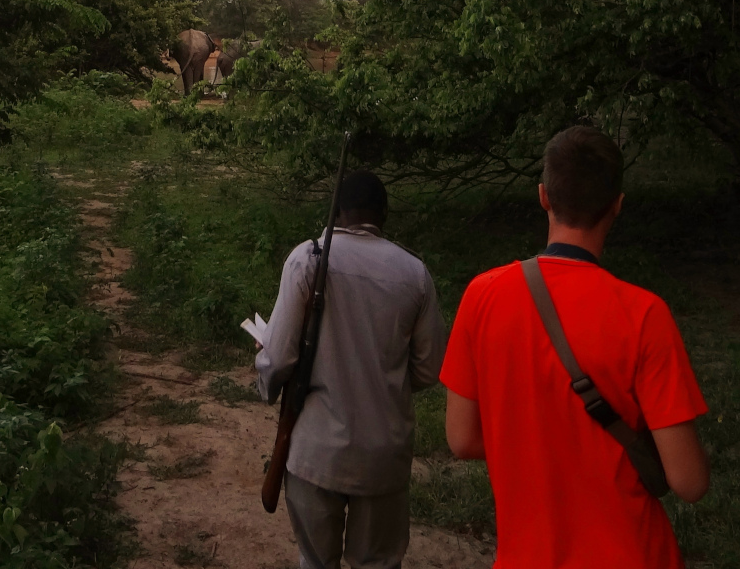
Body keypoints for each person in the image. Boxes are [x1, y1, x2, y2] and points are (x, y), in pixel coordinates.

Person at [441, 126, 710, 568]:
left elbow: (463, 438)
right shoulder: (645, 315)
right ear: (618, 205)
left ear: (543, 196)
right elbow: (689, 482)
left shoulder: (481, 296)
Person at [257, 170, 447, 569]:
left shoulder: (307, 258)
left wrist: (268, 378)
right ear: (384, 215)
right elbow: (429, 371)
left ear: (337, 211)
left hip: (316, 453)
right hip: (385, 457)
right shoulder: (415, 273)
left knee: (315, 562)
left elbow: (278, 358)